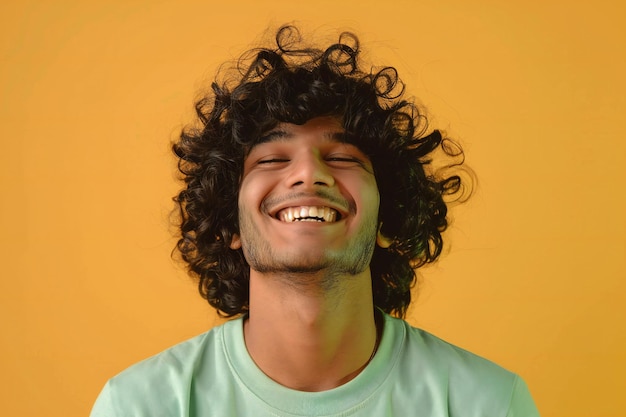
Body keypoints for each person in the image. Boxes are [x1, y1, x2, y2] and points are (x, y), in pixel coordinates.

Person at [91, 25, 540, 416]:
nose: (308, 173)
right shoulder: (139, 405)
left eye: (343, 156)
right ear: (229, 223)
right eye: (271, 158)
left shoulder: (488, 403)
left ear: (389, 218)